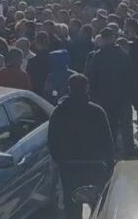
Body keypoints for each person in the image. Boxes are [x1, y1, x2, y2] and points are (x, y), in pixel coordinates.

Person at [48, 74, 114, 219]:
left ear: (69, 88)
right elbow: (107, 140)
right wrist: (110, 164)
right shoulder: (97, 111)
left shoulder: (59, 112)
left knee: (72, 205)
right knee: (97, 205)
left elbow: (52, 139)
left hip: (69, 166)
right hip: (94, 165)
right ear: (87, 88)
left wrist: (59, 159)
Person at [85, 28, 134, 154]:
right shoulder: (122, 54)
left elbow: (91, 77)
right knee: (125, 126)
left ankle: (110, 150)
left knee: (110, 125)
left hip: (105, 97)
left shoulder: (98, 55)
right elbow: (130, 76)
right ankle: (128, 149)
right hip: (120, 96)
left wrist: (93, 95)